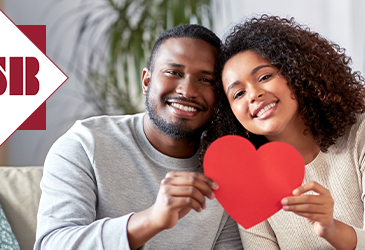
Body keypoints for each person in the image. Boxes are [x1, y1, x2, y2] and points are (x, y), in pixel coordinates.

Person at [201, 15, 365, 250]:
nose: (253, 94)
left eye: (265, 77)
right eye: (238, 94)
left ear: (296, 72)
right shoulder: (246, 179)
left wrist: (331, 229)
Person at [35, 24, 242, 250]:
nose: (187, 91)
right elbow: (52, 244)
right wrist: (152, 220)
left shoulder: (226, 169)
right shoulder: (85, 144)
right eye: (174, 72)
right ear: (146, 81)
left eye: (206, 80)